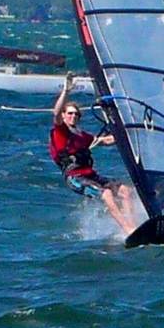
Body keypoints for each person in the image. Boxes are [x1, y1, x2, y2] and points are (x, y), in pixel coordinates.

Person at [50, 73, 137, 235]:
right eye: (69, 113)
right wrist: (66, 91)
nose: (73, 116)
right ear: (64, 116)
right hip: (75, 178)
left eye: (76, 114)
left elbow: (106, 140)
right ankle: (127, 230)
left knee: (125, 190)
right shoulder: (60, 132)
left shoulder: (82, 136)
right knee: (107, 194)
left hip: (91, 175)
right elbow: (56, 113)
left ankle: (134, 226)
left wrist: (130, 131)